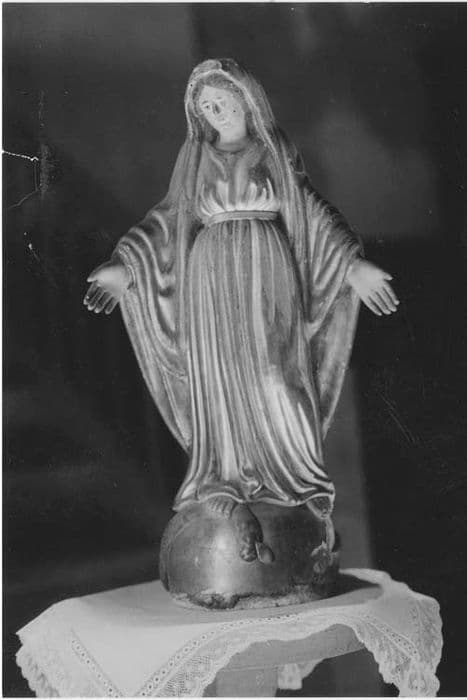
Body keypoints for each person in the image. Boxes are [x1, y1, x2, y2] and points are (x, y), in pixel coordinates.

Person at [84, 59, 398, 561]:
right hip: (211, 284)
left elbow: (308, 208)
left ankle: (298, 482)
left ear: (246, 97)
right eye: (207, 106)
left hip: (267, 274)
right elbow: (169, 219)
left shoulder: (273, 150)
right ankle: (226, 480)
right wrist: (127, 266)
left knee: (278, 377)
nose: (217, 111)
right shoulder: (195, 158)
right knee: (223, 378)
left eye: (223, 100)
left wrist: (350, 264)